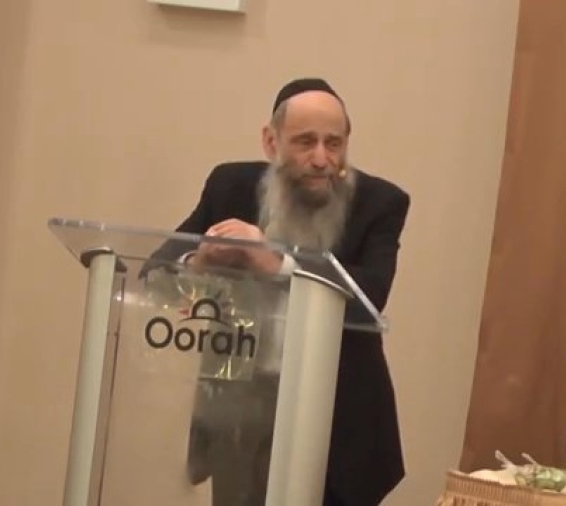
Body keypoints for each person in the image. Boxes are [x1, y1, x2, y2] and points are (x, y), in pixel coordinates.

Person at [152, 78, 409, 505]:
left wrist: (279, 264)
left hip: (337, 427)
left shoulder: (380, 202)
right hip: (239, 419)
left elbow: (370, 296)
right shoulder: (230, 186)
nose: (321, 159)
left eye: (334, 143)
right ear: (271, 142)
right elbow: (157, 272)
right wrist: (199, 262)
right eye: (305, 142)